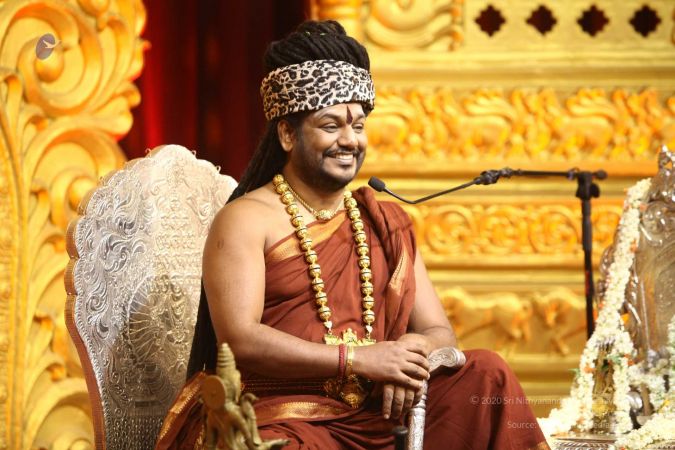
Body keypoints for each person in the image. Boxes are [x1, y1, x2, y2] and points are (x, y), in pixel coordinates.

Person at [157, 20, 550, 450]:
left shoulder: (382, 220)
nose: (350, 140)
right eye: (331, 126)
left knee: (487, 373)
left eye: (358, 126)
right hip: (283, 414)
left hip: (377, 410)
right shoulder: (246, 219)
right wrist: (360, 359)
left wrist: (409, 356)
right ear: (287, 134)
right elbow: (240, 340)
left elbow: (439, 330)